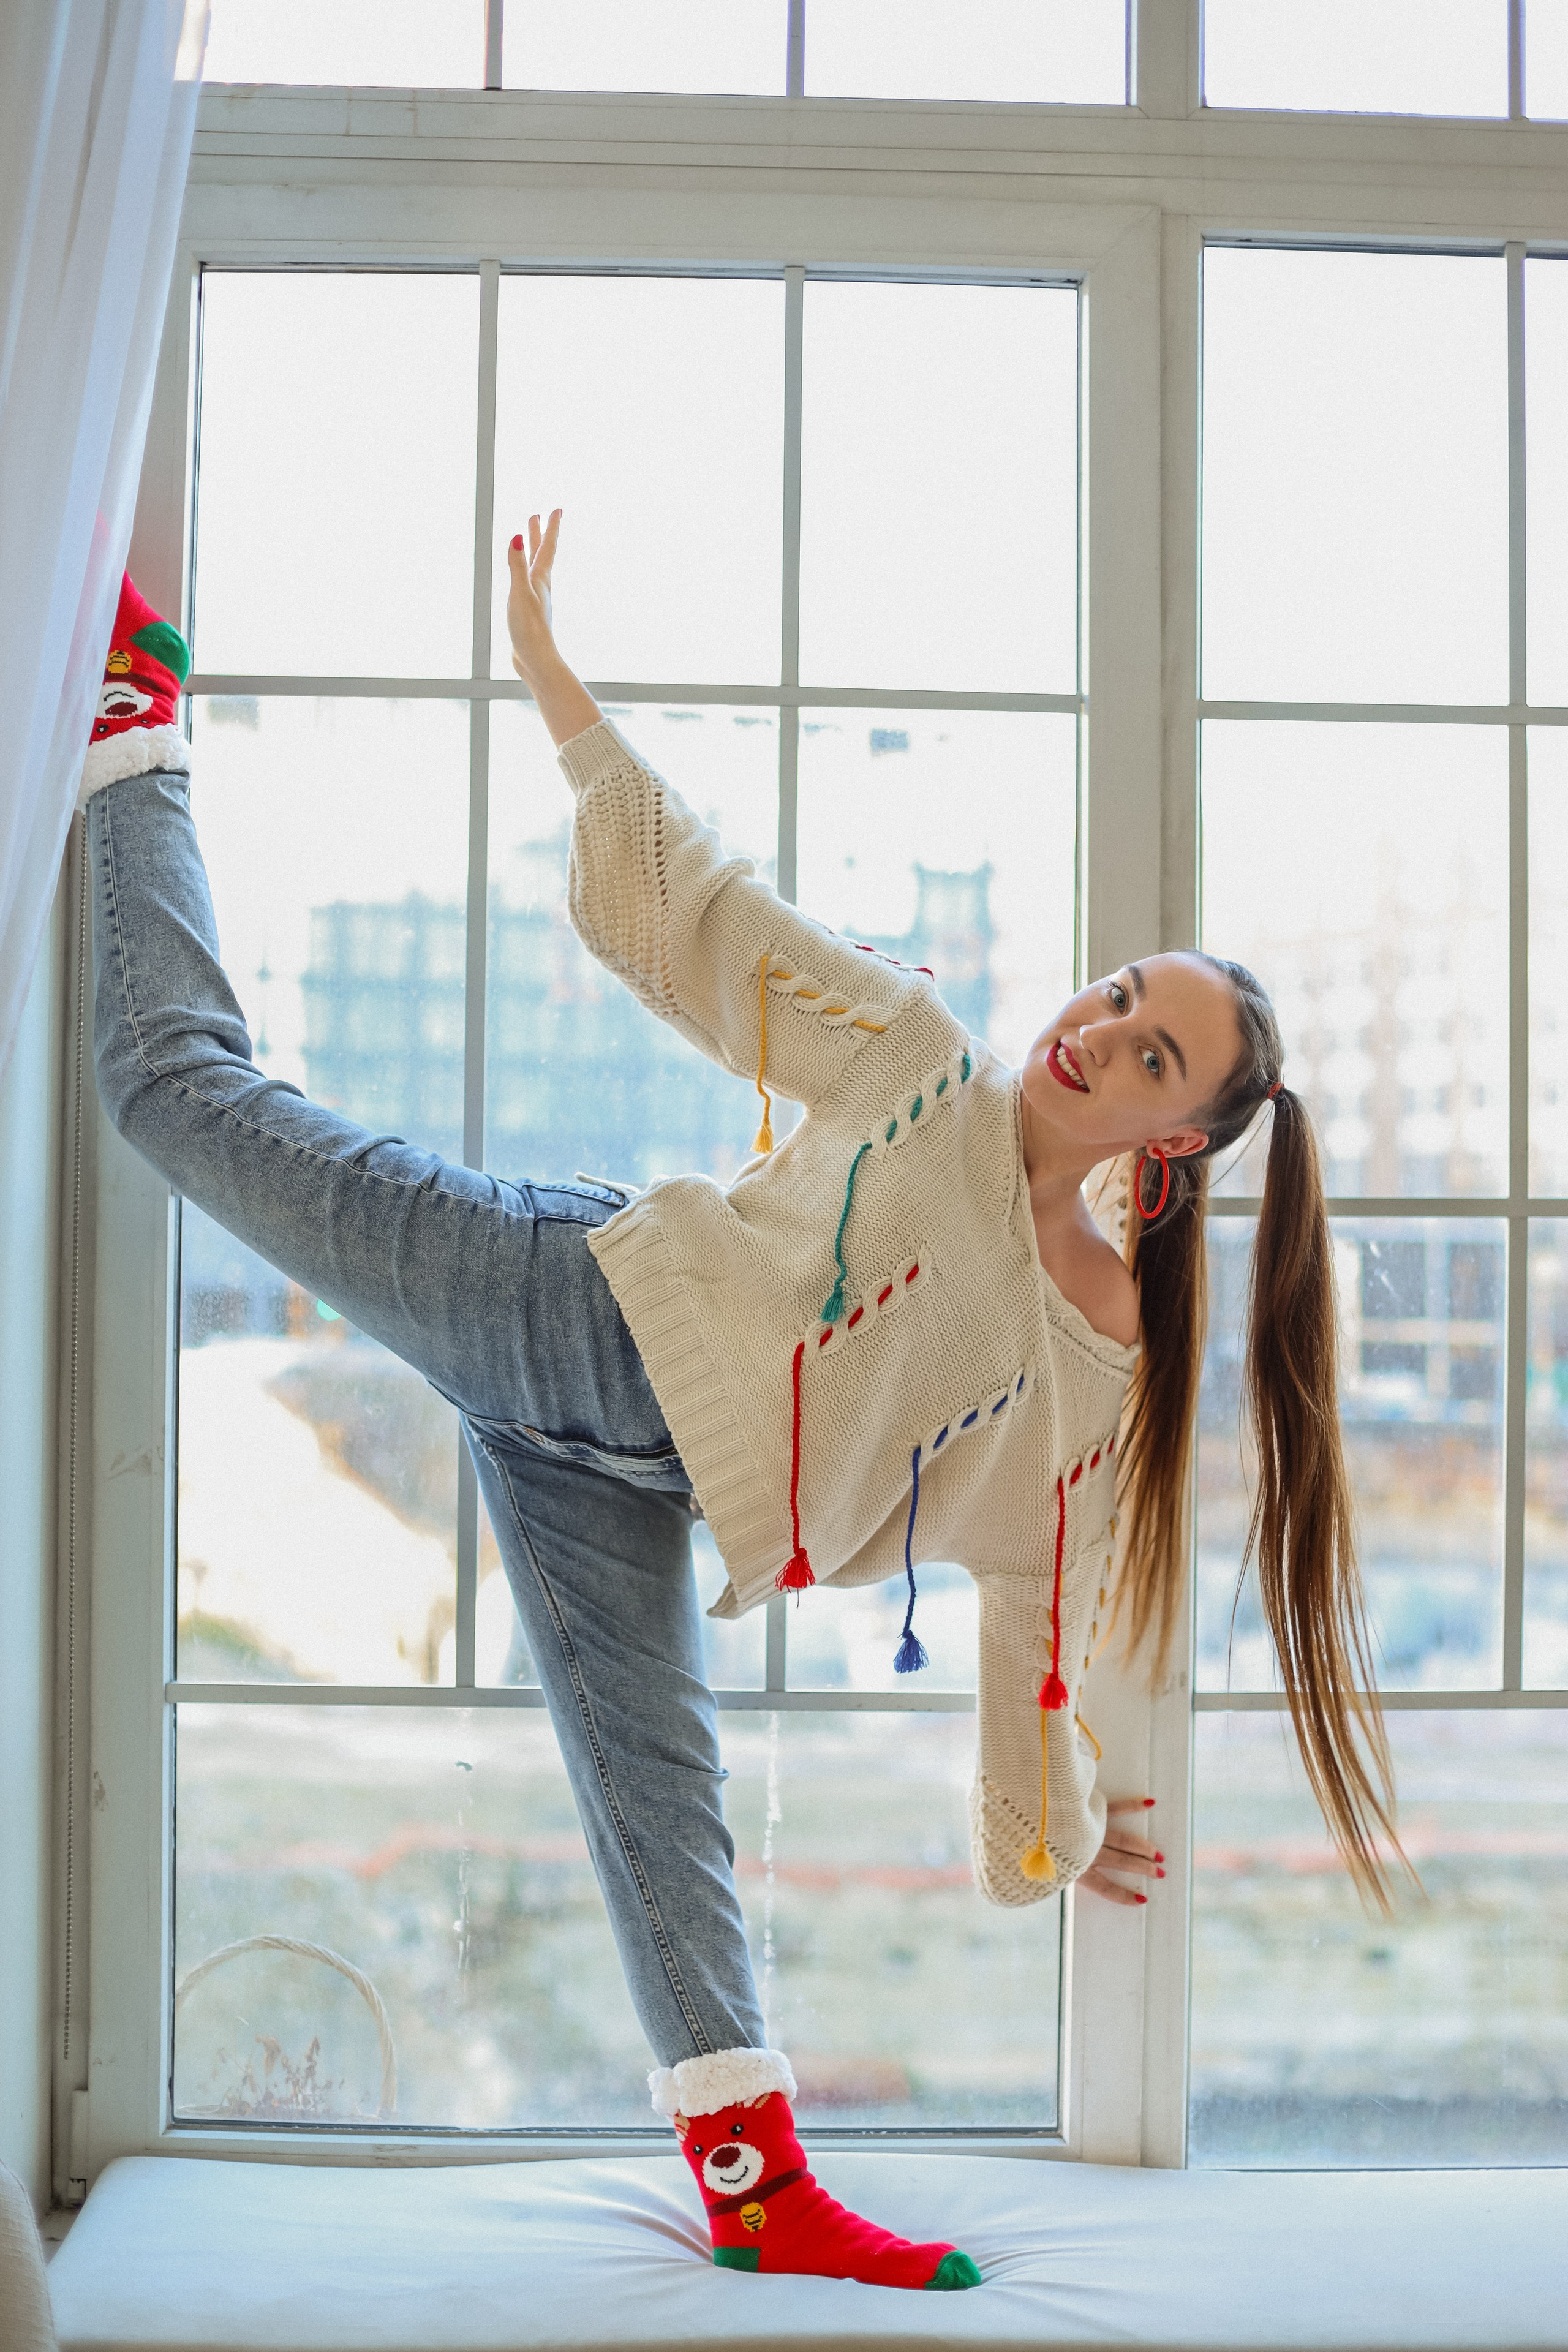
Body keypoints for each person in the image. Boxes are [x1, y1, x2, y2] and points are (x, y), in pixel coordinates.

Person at [80, 527, 1396, 2290]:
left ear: (1175, 1140)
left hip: (631, 1484)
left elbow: (1035, 1621)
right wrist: (552, 677)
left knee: (662, 1811)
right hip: (578, 1306)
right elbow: (709, 924)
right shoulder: (922, 1057)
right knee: (172, 1097)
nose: (1097, 1030)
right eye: (1119, 992)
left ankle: (756, 2185)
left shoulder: (1102, 1379)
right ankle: (136, 725)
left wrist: (1055, 1834)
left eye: (1151, 1054)